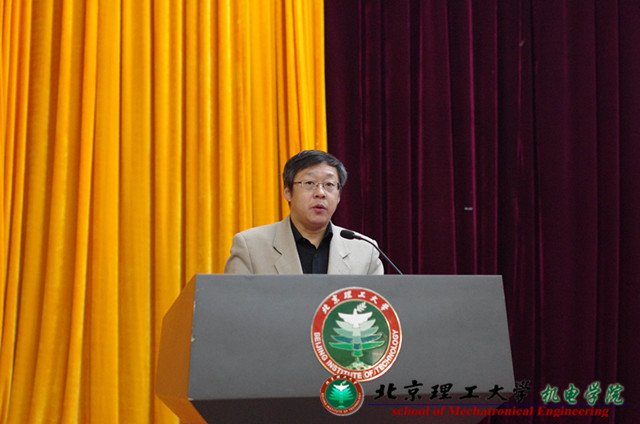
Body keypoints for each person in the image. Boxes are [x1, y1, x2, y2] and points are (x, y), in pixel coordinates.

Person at [224, 150, 383, 274]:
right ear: (288, 192)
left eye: (329, 185)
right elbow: (236, 304)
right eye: (309, 183)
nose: (320, 193)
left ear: (339, 196)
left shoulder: (365, 251)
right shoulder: (250, 247)